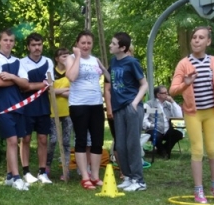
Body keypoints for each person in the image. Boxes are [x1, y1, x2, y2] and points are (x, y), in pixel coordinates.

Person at [170, 26, 214, 204]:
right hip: (193, 113)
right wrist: (185, 83)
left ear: (208, 41)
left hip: (211, 112)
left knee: (213, 149)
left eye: (201, 38)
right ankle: (199, 190)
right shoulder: (184, 64)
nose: (196, 40)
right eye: (194, 37)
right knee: (197, 150)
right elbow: (173, 90)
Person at [0, 29, 30, 191]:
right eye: (5, 40)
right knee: (11, 141)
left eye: (11, 40)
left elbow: (26, 84)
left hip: (18, 105)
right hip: (3, 106)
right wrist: (19, 80)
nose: (8, 43)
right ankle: (18, 178)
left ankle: (10, 176)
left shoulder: (18, 61)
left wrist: (12, 77)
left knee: (16, 140)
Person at [65, 30, 110, 190]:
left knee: (98, 141)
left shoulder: (95, 59)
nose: (85, 46)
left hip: (96, 104)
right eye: (82, 42)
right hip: (78, 104)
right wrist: (77, 56)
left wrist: (103, 68)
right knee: (81, 140)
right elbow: (71, 77)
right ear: (77, 44)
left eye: (89, 43)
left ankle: (95, 175)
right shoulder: (70, 58)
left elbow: (108, 78)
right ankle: (85, 176)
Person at [107, 32, 148, 192]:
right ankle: (129, 176)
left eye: (113, 43)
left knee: (132, 144)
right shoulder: (114, 62)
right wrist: (102, 68)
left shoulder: (132, 62)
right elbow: (113, 80)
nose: (110, 45)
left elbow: (144, 84)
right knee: (121, 145)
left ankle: (139, 180)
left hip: (131, 108)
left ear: (122, 48)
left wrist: (135, 103)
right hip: (118, 109)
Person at [19, 33, 54, 184]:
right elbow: (23, 87)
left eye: (39, 44)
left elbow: (50, 83)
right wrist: (40, 85)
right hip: (26, 106)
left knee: (42, 139)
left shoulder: (48, 61)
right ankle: (26, 171)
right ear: (28, 47)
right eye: (33, 45)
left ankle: (42, 172)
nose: (37, 48)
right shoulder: (21, 63)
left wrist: (33, 86)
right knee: (25, 138)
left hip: (43, 106)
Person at [47, 48, 72, 179]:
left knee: (67, 141)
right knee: (53, 140)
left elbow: (74, 92)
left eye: (67, 56)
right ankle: (46, 166)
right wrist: (65, 89)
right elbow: (49, 90)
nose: (65, 58)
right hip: (53, 111)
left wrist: (58, 90)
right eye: (62, 56)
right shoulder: (51, 72)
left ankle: (66, 169)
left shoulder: (71, 72)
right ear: (56, 58)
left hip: (68, 111)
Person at [142, 86, 183, 159]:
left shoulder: (168, 104)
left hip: (167, 130)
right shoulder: (149, 105)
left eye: (167, 92)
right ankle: (163, 151)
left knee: (178, 134)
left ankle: (163, 149)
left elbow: (179, 115)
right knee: (156, 136)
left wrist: (173, 102)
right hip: (154, 129)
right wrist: (151, 125)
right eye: (165, 93)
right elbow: (144, 120)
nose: (167, 94)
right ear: (158, 95)